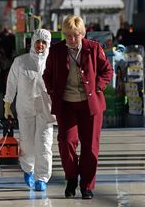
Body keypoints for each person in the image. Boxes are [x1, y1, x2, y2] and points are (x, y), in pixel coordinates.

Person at [43, 15, 113, 199]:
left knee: (90, 147)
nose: (73, 40)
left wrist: (98, 86)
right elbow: (47, 73)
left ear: (83, 33)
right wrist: (52, 90)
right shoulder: (56, 51)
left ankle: (87, 185)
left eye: (76, 35)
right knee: (66, 142)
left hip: (91, 106)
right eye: (69, 36)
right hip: (66, 105)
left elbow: (107, 70)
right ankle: (72, 177)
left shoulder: (93, 48)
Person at [3, 29, 55, 191]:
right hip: (25, 107)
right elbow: (11, 84)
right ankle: (28, 169)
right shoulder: (21, 62)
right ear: (32, 42)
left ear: (48, 44)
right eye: (38, 41)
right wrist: (7, 104)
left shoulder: (53, 61)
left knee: (44, 143)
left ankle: (42, 178)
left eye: (44, 42)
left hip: (46, 107)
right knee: (27, 142)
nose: (40, 45)